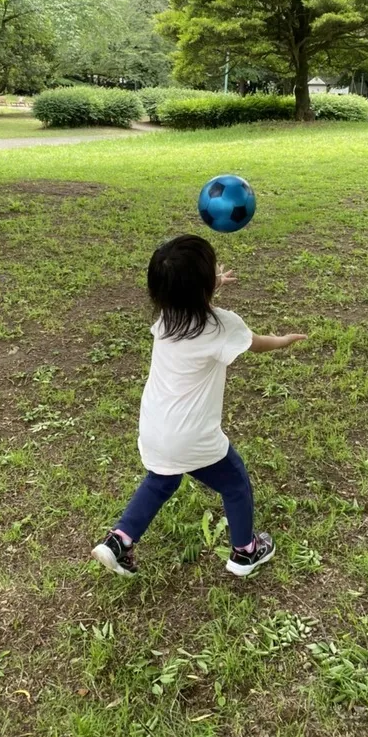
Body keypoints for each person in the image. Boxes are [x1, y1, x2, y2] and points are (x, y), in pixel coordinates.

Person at [91, 234, 306, 577]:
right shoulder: (222, 326)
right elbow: (257, 344)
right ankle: (245, 552)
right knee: (234, 481)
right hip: (192, 435)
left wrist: (211, 284)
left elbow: (186, 297)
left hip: (155, 426)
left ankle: (119, 540)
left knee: (162, 481)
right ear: (204, 284)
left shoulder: (165, 321)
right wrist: (283, 341)